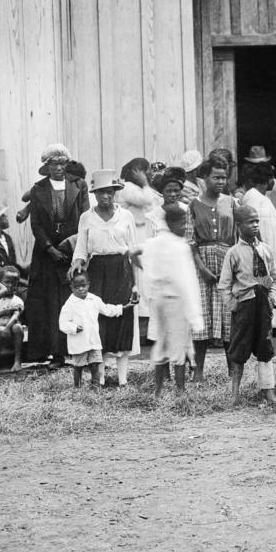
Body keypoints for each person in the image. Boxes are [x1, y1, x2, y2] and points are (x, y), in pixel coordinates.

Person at [70, 170, 140, 386]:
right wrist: (78, 264)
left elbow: (134, 252)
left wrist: (136, 285)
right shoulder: (87, 217)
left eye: (109, 192)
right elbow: (81, 250)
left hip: (121, 270)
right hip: (98, 270)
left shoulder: (126, 216)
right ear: (94, 194)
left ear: (116, 192)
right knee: (98, 321)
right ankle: (99, 378)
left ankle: (122, 380)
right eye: (100, 193)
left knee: (122, 318)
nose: (105, 197)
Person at [25, 144, 89, 366]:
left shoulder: (78, 186)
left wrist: (73, 245)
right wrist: (49, 248)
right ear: (47, 166)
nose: (59, 167)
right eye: (54, 163)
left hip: (72, 249)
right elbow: (36, 224)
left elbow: (85, 218)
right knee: (51, 302)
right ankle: (56, 352)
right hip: (47, 253)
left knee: (73, 297)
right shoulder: (38, 189)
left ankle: (79, 349)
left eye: (62, 163)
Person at [218, 205, 276, 405]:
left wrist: (272, 298)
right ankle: (235, 394)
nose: (254, 225)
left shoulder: (266, 249)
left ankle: (268, 392)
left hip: (263, 304)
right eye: (250, 222)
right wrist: (233, 305)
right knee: (239, 349)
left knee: (265, 346)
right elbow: (224, 284)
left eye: (256, 221)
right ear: (239, 225)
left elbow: (275, 278)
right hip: (244, 304)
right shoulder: (233, 253)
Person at [144, 204, 204, 398]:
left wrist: (151, 292)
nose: (185, 227)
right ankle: (180, 391)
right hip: (176, 299)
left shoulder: (154, 242)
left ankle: (159, 391)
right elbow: (186, 281)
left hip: (159, 299)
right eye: (183, 223)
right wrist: (194, 314)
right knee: (178, 345)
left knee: (161, 342)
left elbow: (138, 255)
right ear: (172, 222)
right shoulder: (179, 246)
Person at [188, 155, 235, 375]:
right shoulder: (194, 205)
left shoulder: (232, 202)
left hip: (227, 260)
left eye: (224, 177)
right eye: (216, 177)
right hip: (202, 264)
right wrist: (201, 268)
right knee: (202, 318)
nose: (220, 181)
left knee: (228, 317)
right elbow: (190, 240)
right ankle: (198, 373)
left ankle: (233, 371)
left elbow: (239, 235)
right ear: (204, 178)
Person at [240, 161, 276, 338]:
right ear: (266, 180)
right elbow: (250, 223)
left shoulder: (265, 198)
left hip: (273, 246)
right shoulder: (251, 196)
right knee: (262, 282)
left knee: (274, 279)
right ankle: (264, 323)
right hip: (261, 247)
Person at [59, 271, 128, 388]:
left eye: (83, 286)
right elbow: (63, 323)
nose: (80, 289)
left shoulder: (94, 299)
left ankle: (96, 387)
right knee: (78, 366)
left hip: (93, 341)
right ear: (71, 288)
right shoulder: (69, 304)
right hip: (79, 342)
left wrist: (122, 308)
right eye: (76, 287)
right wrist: (74, 328)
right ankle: (77, 387)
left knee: (95, 364)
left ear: (88, 284)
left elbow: (106, 309)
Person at [117, 157, 158, 343]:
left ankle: (145, 330)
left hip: (142, 234)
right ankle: (139, 332)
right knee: (138, 278)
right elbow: (147, 199)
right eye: (145, 170)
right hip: (134, 235)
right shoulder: (127, 188)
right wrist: (145, 182)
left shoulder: (134, 188)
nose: (148, 174)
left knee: (144, 279)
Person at [0, 265, 26, 374]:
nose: (10, 286)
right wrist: (5, 312)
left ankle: (17, 360)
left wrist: (7, 328)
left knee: (17, 327)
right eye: (7, 282)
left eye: (14, 283)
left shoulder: (17, 300)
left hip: (10, 332)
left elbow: (16, 315)